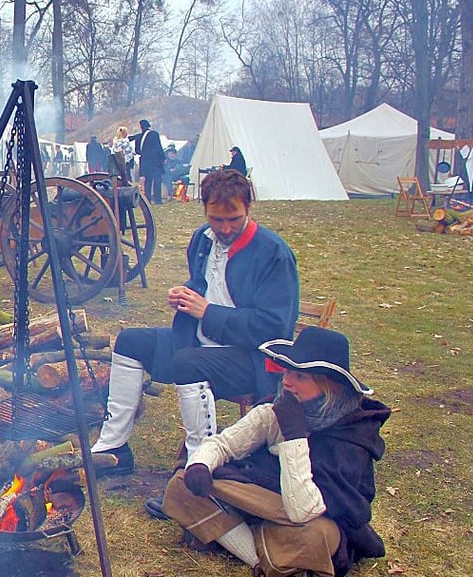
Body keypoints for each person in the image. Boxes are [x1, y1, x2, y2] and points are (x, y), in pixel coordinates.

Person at [91, 169, 299, 475]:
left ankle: (201, 464)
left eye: (234, 219)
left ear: (248, 209)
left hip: (253, 359)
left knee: (188, 362)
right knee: (130, 342)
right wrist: (186, 295)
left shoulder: (273, 252)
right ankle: (113, 448)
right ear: (204, 210)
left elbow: (274, 327)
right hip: (201, 340)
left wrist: (206, 311)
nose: (225, 228)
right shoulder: (203, 239)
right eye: (217, 219)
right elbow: (205, 285)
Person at [160, 327, 390, 577]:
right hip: (265, 500)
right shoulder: (276, 410)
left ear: (330, 387)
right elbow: (224, 444)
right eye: (288, 372)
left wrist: (295, 436)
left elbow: (303, 511)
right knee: (182, 484)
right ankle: (263, 560)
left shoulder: (352, 437)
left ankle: (231, 533)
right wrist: (201, 464)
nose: (287, 382)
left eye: (301, 377)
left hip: (310, 516)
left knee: (317, 537)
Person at [132, 119, 166, 204]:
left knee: (148, 181)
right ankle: (158, 199)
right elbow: (158, 147)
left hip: (145, 162)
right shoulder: (154, 134)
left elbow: (137, 151)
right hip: (155, 162)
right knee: (157, 180)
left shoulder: (139, 137)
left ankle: (147, 199)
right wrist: (163, 158)